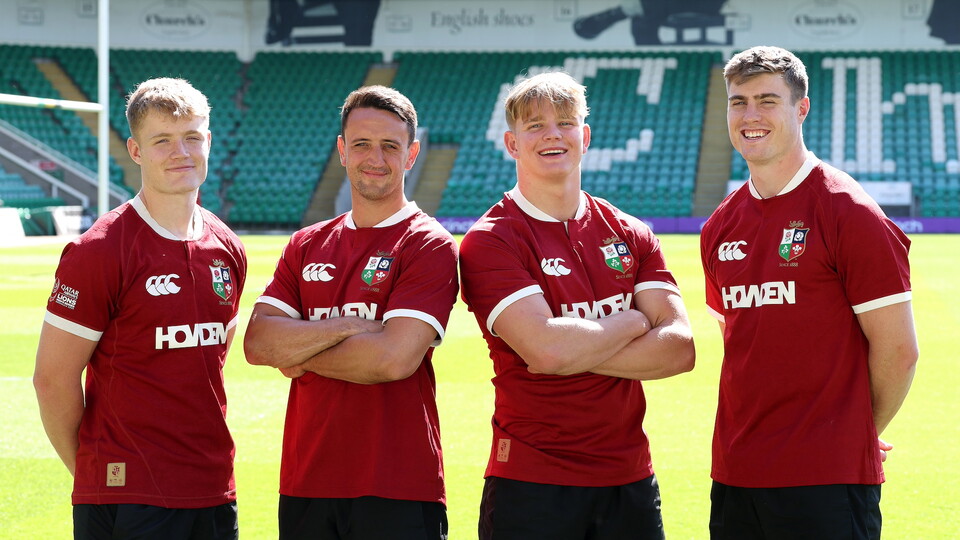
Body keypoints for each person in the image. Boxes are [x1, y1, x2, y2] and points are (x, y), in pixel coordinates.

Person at [458, 71, 696, 540]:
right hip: (531, 480)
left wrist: (573, 345)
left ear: (584, 137)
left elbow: (680, 350)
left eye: (565, 122)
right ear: (512, 143)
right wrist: (631, 320)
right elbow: (547, 352)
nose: (553, 134)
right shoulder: (491, 240)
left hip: (629, 479)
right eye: (535, 126)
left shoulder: (630, 232)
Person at [700, 46, 919, 540]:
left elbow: (900, 351)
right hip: (736, 473)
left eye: (767, 100)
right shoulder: (719, 226)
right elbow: (740, 345)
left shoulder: (848, 211)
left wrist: (857, 432)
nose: (750, 115)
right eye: (738, 102)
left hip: (826, 481)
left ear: (801, 108)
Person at [33, 77, 246, 539]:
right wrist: (96, 473)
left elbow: (214, 358)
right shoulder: (102, 250)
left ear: (208, 141)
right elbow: (52, 380)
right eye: (162, 141)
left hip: (213, 489)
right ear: (135, 151)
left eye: (192, 137)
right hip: (128, 496)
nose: (181, 152)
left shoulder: (227, 246)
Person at [243, 85, 458, 540]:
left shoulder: (428, 244)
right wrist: (347, 326)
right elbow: (258, 342)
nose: (374, 158)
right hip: (306, 482)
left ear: (412, 154)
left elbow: (392, 360)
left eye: (390, 146)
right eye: (361, 144)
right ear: (342, 150)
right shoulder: (306, 243)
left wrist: (298, 351)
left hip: (398, 484)